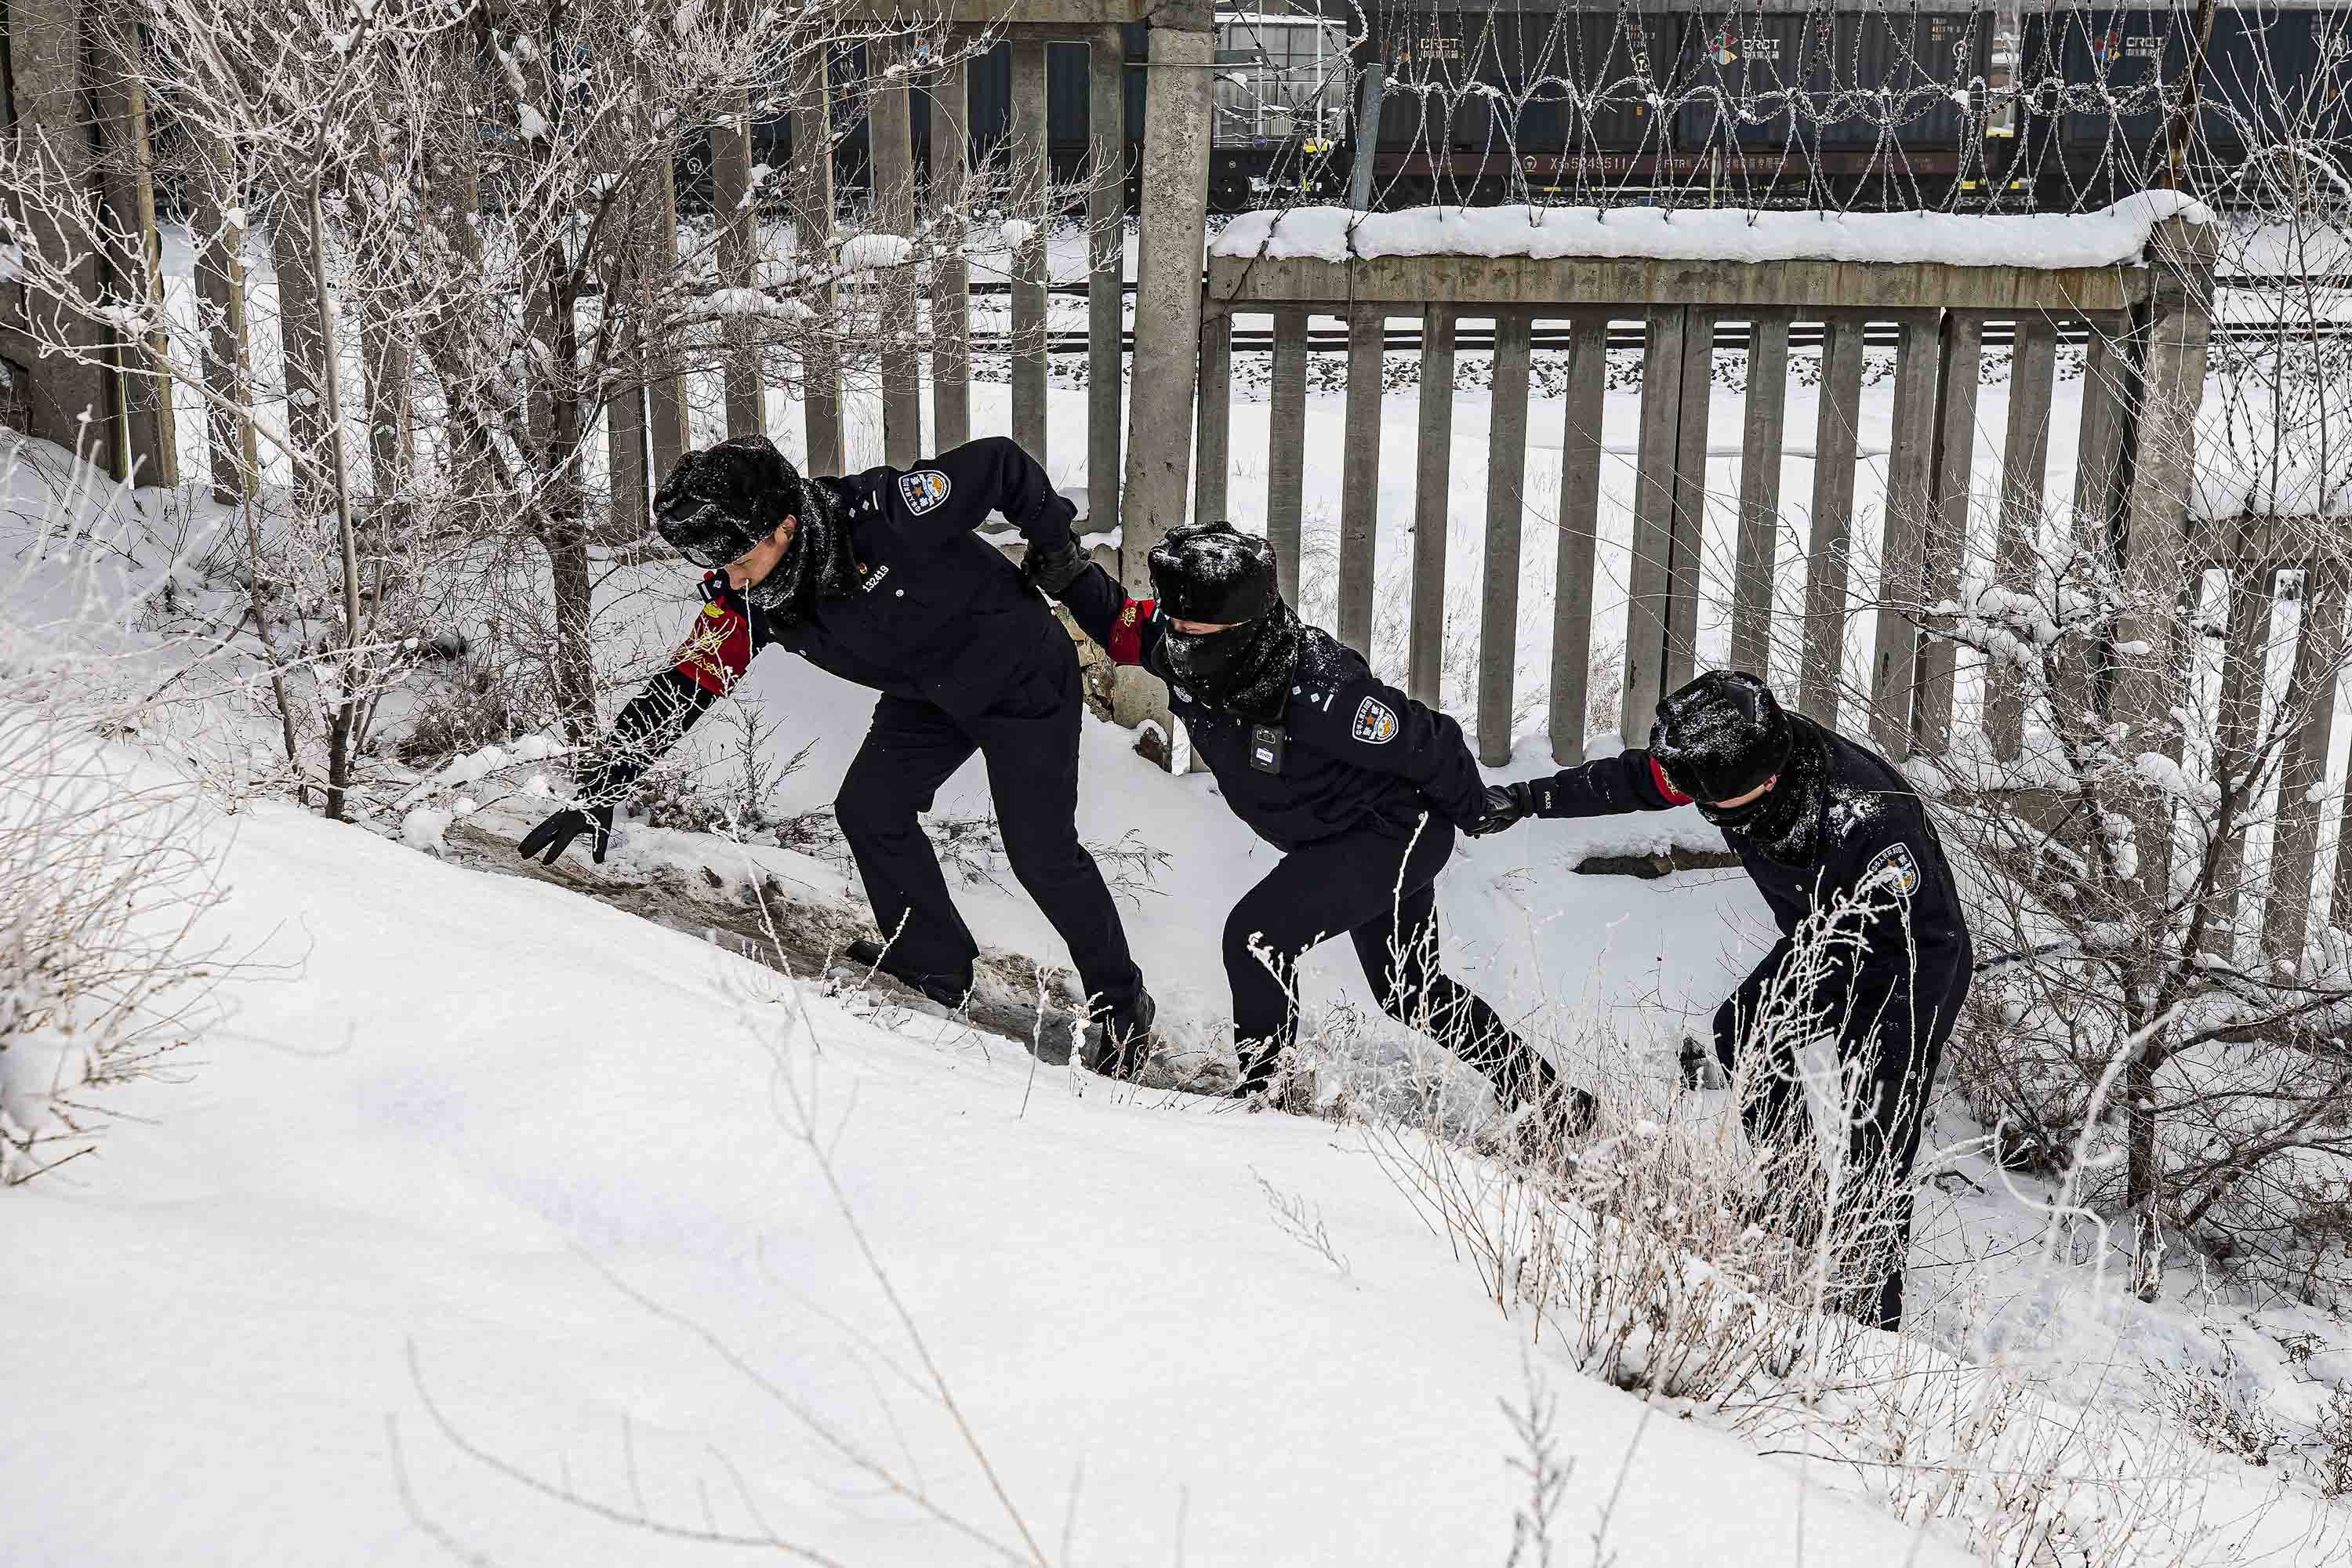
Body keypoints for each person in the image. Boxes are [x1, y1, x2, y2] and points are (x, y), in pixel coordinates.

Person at [517, 434, 1156, 1064]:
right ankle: (936, 966)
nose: (730, 577)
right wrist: (605, 783)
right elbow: (689, 682)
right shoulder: (751, 600)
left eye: (741, 559)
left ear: (785, 529)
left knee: (1041, 854)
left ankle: (1123, 1004)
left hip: (1021, 680)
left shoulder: (888, 514)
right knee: (871, 809)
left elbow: (1001, 465)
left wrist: (1057, 552)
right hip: (926, 696)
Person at [1471, 670, 1970, 1330]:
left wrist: (1841, 1020)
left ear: (1758, 786)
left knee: (1874, 1138)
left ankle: (1865, 1327)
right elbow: (1632, 782)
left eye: (1704, 799)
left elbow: (1883, 945)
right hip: (1826, 933)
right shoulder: (1725, 758)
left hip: (1908, 963)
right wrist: (1527, 799)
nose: (1687, 799)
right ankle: (1795, 1205)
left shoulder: (1870, 822)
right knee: (1746, 1031)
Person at [1057, 520, 1592, 1133]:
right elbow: (1122, 623)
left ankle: (1267, 1103)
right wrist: (1068, 570)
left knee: (1257, 937)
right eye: (1175, 627)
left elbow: (1431, 741)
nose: (1176, 642)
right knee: (1410, 993)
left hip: (1392, 834)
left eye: (1193, 631)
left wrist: (1475, 809)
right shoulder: (1187, 649)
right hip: (1333, 839)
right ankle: (1553, 1099)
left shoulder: (1321, 691)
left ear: (1242, 627)